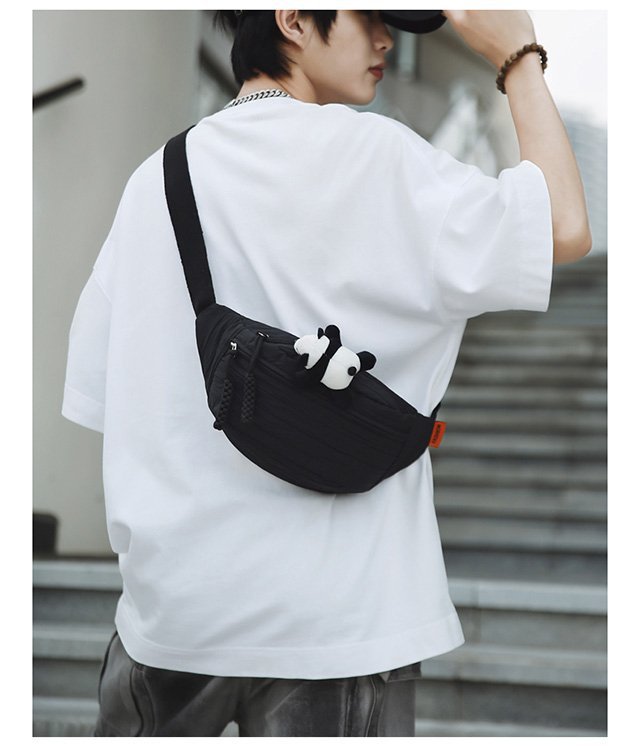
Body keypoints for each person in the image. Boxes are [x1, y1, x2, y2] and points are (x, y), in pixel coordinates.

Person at [62, 9, 591, 738]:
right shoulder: (378, 156)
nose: (386, 39)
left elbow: (103, 396)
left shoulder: (157, 178)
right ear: (291, 18)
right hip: (341, 622)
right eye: (367, 16)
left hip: (172, 616)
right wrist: (518, 56)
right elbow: (562, 225)